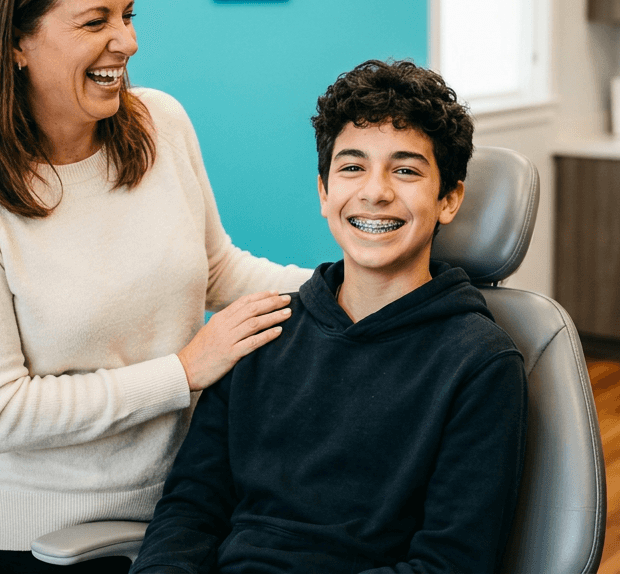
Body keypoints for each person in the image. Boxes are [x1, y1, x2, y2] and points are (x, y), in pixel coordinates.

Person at [0, 0, 310, 574]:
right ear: (15, 42)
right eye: (95, 22)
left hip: (184, 496)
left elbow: (218, 268)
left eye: (127, 15)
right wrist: (182, 372)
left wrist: (363, 282)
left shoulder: (160, 123)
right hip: (42, 529)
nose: (126, 41)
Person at [128, 60, 529, 574]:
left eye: (405, 170)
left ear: (448, 199)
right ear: (323, 192)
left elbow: (449, 564)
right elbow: (189, 511)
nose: (375, 191)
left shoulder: (479, 363)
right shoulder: (262, 331)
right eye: (352, 167)